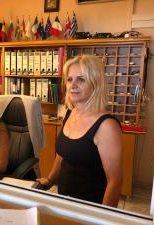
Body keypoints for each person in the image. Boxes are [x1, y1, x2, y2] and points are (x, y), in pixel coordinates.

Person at [37, 55, 123, 207]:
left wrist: (103, 220)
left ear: (95, 84)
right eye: (69, 79)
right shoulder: (70, 113)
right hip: (65, 203)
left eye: (81, 79)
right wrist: (50, 180)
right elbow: (63, 154)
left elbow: (115, 181)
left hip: (90, 210)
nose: (72, 85)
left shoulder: (107, 126)